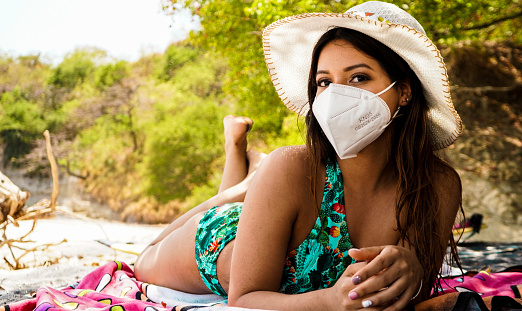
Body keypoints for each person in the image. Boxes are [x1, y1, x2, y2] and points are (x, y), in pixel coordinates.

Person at [134, 1, 464, 310]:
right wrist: (331, 301)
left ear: (404, 90)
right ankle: (237, 174)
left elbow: (408, 297)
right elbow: (245, 300)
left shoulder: (438, 186)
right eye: (324, 82)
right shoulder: (293, 167)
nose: (336, 95)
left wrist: (415, 272)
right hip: (220, 240)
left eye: (358, 78)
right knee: (142, 261)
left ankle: (247, 183)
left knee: (251, 192)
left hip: (270, 213)